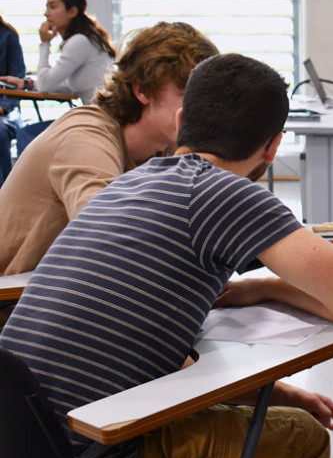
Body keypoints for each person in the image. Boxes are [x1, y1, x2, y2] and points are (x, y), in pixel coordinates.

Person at [0, 53, 333, 458]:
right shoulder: (222, 193)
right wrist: (269, 289)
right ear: (273, 146)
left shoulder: (127, 184)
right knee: (302, 440)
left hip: (25, 447)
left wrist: (278, 393)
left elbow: (153, 354)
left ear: (183, 118)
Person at [0, 22, 219, 282]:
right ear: (142, 90)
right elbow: (109, 237)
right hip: (12, 303)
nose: (201, 109)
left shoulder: (164, 148)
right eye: (187, 95)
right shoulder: (86, 134)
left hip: (56, 292)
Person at [0, 0, 115, 105]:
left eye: (52, 7)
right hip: (98, 114)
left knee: (39, 125)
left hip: (102, 117)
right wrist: (25, 84)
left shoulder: (79, 42)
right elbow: (67, 84)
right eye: (47, 7)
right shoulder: (85, 39)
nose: (46, 13)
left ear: (72, 12)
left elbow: (45, 85)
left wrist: (45, 43)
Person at [0, 14, 26, 186]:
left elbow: (16, 83)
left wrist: (3, 108)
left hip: (5, 111)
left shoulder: (8, 36)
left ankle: (4, 194)